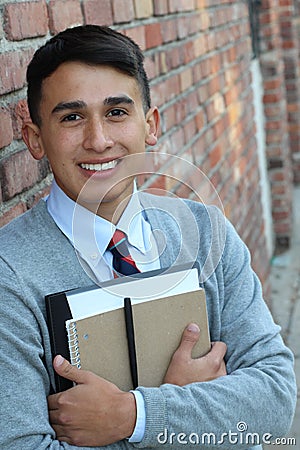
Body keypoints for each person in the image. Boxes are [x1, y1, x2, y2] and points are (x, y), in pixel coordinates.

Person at [0, 25, 296, 450]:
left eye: (117, 112)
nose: (98, 140)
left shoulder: (208, 233)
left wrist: (133, 416)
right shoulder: (10, 276)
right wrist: (204, 417)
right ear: (34, 139)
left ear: (150, 125)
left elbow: (275, 399)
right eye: (72, 117)